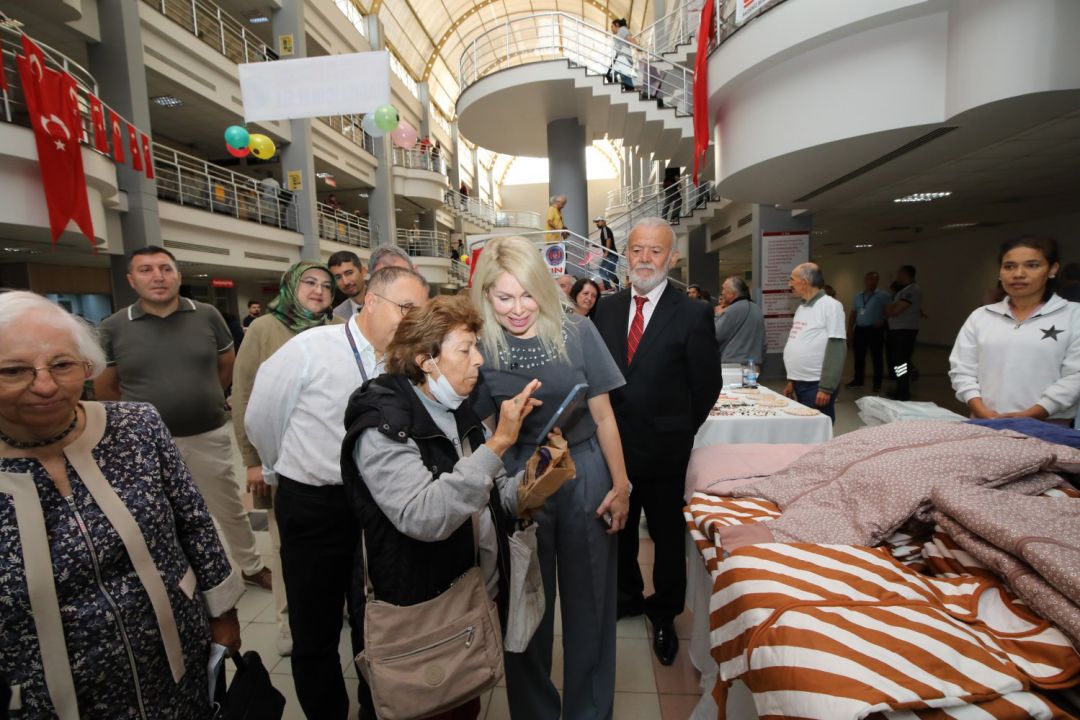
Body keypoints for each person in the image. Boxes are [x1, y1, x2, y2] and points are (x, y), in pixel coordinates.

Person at [0, 291, 243, 717]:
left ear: (87, 366)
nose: (45, 385)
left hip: (173, 664)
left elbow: (196, 524)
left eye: (62, 365)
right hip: (42, 696)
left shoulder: (137, 426)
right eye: (14, 370)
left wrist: (222, 614)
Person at [342, 296, 547, 720]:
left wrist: (532, 485)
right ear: (426, 360)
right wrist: (499, 443)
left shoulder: (458, 408)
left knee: (462, 702)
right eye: (465, 349)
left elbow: (492, 491)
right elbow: (424, 515)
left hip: (467, 599)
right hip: (422, 615)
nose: (479, 360)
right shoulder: (383, 425)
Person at [245, 267, 430, 720]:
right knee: (315, 629)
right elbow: (262, 420)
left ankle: (376, 709)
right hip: (315, 503)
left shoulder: (407, 362)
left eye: (418, 313)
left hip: (380, 506)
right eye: (404, 309)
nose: (412, 321)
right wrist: (277, 469)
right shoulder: (309, 350)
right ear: (370, 301)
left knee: (377, 622)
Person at [470, 236, 631, 720]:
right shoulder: (478, 346)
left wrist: (621, 486)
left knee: (591, 606)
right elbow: (475, 431)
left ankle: (589, 710)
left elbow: (604, 417)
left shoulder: (577, 330)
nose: (518, 309)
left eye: (527, 294)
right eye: (504, 297)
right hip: (520, 478)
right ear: (486, 296)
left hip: (585, 472)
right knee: (526, 609)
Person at [94, 246, 271, 591]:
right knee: (158, 514)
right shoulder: (113, 327)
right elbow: (107, 388)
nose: (157, 276)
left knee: (229, 508)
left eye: (165, 268)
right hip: (144, 446)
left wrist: (199, 397)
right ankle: (177, 577)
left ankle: (250, 566)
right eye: (145, 270)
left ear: (178, 276)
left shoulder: (207, 315)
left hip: (206, 434)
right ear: (131, 279)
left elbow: (226, 367)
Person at [592, 217, 721, 667]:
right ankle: (626, 597)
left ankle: (664, 613)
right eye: (637, 250)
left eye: (655, 251)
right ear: (625, 255)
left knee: (667, 540)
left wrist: (678, 430)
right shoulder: (606, 309)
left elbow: (706, 386)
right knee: (619, 532)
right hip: (613, 450)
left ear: (672, 257)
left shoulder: (692, 312)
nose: (645, 259)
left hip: (666, 453)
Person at [231, 261, 340, 657]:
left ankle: (332, 607)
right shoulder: (265, 329)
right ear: (291, 286)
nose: (318, 290)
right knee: (285, 545)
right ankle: (288, 621)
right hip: (281, 460)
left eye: (326, 285)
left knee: (333, 540)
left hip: (328, 458)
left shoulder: (334, 331)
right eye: (309, 282)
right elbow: (243, 394)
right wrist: (253, 460)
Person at [949, 237, 1080, 423]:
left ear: (1053, 269)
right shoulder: (981, 317)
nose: (1018, 274)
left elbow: (1076, 375)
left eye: (1032, 265)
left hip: (1048, 427)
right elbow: (962, 370)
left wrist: (1037, 412)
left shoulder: (1073, 316)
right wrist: (980, 410)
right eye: (1009, 266)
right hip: (985, 423)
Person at [782, 262, 847, 422]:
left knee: (817, 431)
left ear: (804, 281)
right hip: (800, 382)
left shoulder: (831, 306)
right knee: (805, 429)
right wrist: (792, 380)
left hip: (816, 384)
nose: (789, 284)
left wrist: (826, 387)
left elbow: (837, 347)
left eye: (792, 279)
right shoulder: (802, 308)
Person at [845, 271, 890, 392]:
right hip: (860, 329)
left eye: (875, 279)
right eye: (870, 279)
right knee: (859, 356)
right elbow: (853, 314)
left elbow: (889, 311)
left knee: (877, 357)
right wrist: (850, 331)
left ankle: (877, 382)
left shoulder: (883, 295)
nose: (872, 282)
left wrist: (884, 320)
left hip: (875, 330)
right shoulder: (858, 296)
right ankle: (858, 380)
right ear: (865, 280)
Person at [885, 264, 922, 400]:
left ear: (905, 274)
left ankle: (903, 391)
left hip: (904, 331)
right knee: (897, 361)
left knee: (901, 361)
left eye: (899, 273)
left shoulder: (912, 290)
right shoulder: (904, 290)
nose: (897, 276)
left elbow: (894, 311)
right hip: (897, 330)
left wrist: (890, 307)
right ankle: (900, 387)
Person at [714, 276, 766, 364]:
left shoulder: (732, 310)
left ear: (733, 293)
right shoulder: (756, 308)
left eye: (724, 289)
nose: (722, 293)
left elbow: (715, 334)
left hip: (733, 365)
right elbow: (763, 342)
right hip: (754, 364)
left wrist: (717, 315)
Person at [330, 250, 366, 321]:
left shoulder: (386, 302)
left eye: (349, 273)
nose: (345, 282)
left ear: (363, 272)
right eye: (338, 277)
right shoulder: (337, 315)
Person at [610, 18, 636, 91]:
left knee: (612, 75)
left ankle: (626, 90)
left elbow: (630, 39)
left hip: (624, 58)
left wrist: (639, 48)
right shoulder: (619, 33)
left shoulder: (622, 29)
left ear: (617, 25)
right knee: (622, 77)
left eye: (612, 26)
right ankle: (624, 89)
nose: (611, 29)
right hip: (620, 58)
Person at [594, 216, 619, 289]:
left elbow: (608, 240)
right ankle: (619, 287)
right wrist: (599, 246)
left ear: (603, 221)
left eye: (598, 222)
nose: (597, 224)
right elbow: (607, 242)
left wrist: (606, 252)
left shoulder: (605, 229)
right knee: (611, 274)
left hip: (611, 255)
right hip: (612, 255)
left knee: (602, 270)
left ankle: (608, 288)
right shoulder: (605, 230)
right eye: (596, 222)